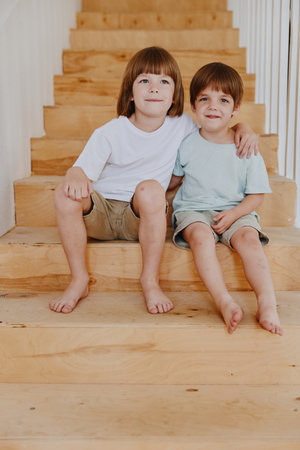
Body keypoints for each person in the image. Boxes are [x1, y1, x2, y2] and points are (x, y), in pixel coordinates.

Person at [49, 47, 258, 315]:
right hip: (100, 214)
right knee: (64, 194)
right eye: (145, 81)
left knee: (150, 189)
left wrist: (244, 128)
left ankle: (150, 281)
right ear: (131, 93)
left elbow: (217, 129)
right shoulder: (111, 131)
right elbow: (80, 171)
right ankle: (78, 279)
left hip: (142, 215)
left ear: (175, 96)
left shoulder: (182, 125)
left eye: (164, 82)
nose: (154, 89)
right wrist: (75, 174)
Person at [169, 62, 282, 335]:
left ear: (235, 108)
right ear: (193, 108)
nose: (213, 106)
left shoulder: (245, 146)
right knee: (200, 237)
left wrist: (234, 215)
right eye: (204, 99)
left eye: (223, 100)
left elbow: (256, 195)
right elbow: (172, 181)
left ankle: (267, 303)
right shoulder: (186, 143)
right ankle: (224, 301)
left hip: (237, 210)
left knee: (249, 240)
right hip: (194, 211)